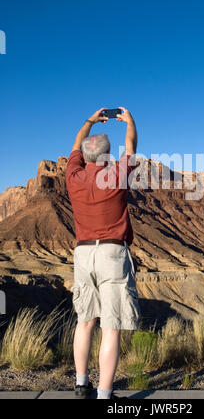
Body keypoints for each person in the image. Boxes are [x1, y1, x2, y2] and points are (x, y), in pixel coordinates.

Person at [66, 107, 140, 400]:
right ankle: (104, 396)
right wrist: (130, 122)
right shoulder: (116, 175)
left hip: (83, 255)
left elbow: (74, 146)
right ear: (107, 157)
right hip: (113, 254)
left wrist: (89, 121)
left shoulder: (74, 177)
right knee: (111, 327)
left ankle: (81, 385)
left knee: (84, 322)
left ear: (84, 157)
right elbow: (132, 147)